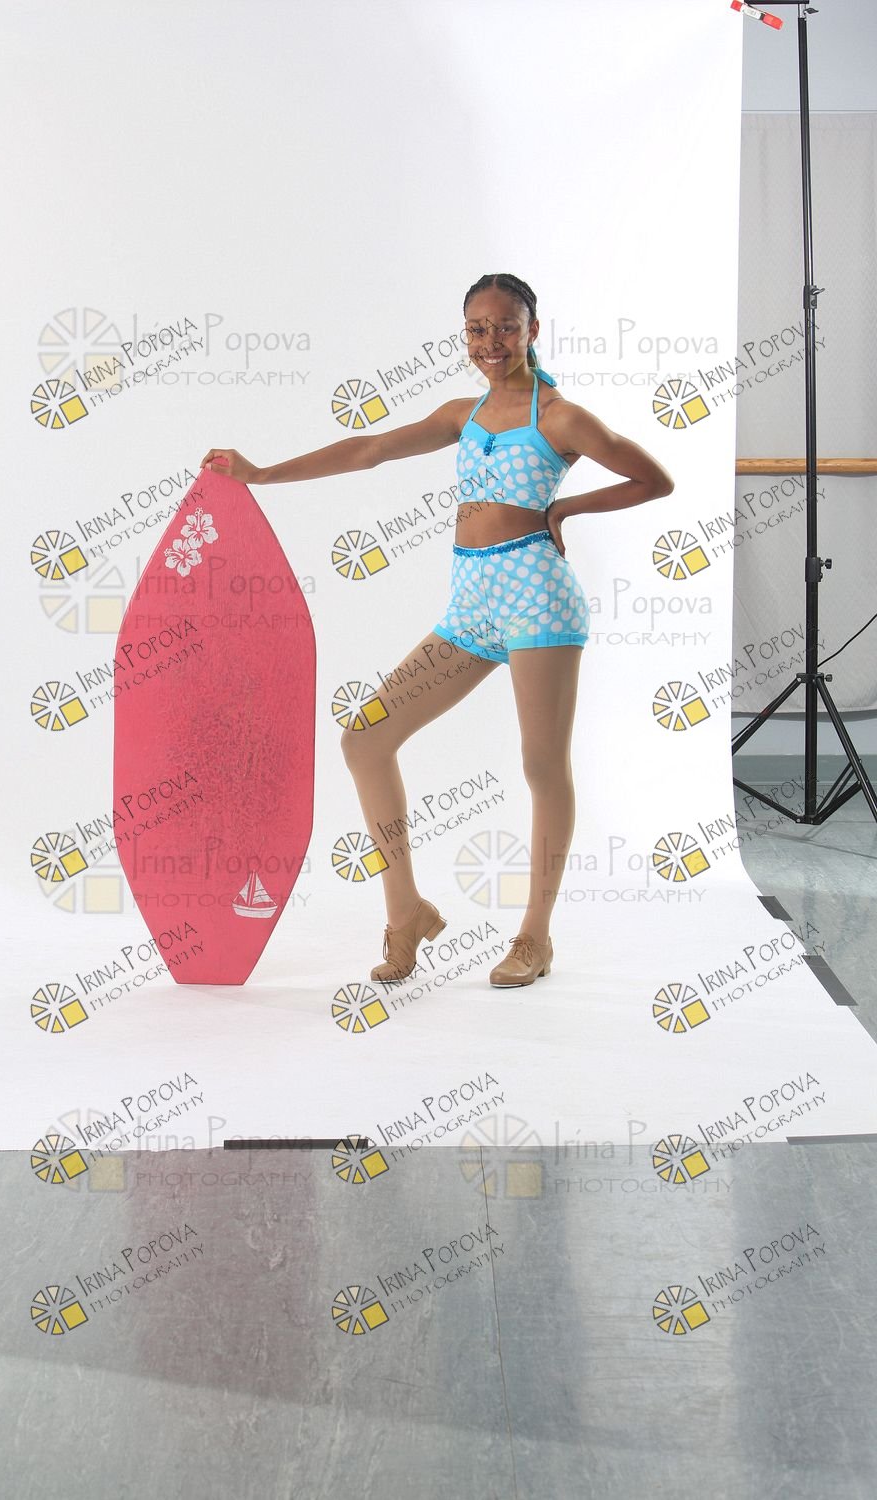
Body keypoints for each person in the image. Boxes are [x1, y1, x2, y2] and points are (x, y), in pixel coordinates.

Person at [200, 272, 674, 988]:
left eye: (506, 326)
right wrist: (261, 475)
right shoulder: (463, 414)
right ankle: (406, 911)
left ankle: (535, 937)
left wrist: (565, 510)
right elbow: (370, 450)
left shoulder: (561, 419)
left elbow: (654, 480)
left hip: (538, 600)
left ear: (533, 330)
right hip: (471, 603)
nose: (491, 342)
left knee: (542, 767)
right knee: (366, 739)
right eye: (477, 329)